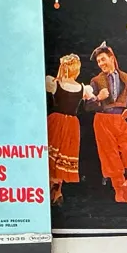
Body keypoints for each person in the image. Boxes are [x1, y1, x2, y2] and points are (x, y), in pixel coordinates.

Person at [85, 43, 127, 202]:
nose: (101, 64)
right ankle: (119, 191)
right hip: (102, 119)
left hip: (120, 120)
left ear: (111, 58)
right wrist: (98, 98)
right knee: (110, 156)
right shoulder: (96, 81)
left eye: (103, 59)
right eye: (98, 62)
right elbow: (87, 106)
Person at [44, 53, 83, 207]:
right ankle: (56, 190)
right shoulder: (81, 88)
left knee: (54, 156)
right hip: (71, 124)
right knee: (62, 154)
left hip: (57, 121)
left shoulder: (55, 83)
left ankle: (53, 189)